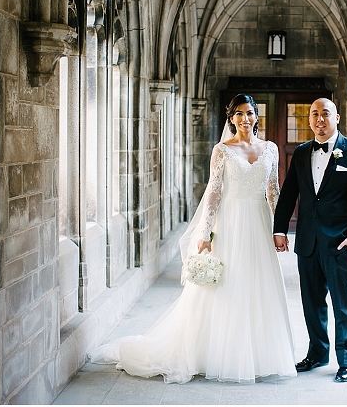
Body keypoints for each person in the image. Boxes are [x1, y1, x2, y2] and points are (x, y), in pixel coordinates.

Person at [90, 94, 296, 384]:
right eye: (238, 114)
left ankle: (258, 353)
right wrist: (205, 234)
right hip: (231, 222)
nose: (245, 119)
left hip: (259, 221)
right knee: (227, 284)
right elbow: (213, 191)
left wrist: (279, 229)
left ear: (256, 116)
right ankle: (215, 352)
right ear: (231, 118)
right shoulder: (222, 150)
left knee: (258, 283)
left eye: (249, 113)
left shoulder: (271, 149)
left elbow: (274, 190)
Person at [273, 97, 347, 383]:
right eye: (314, 114)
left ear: (336, 118)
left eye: (325, 114)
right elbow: (289, 192)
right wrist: (280, 229)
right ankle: (318, 352)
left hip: (340, 243)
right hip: (307, 242)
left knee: (345, 305)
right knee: (311, 303)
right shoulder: (303, 153)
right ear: (309, 120)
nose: (319, 119)